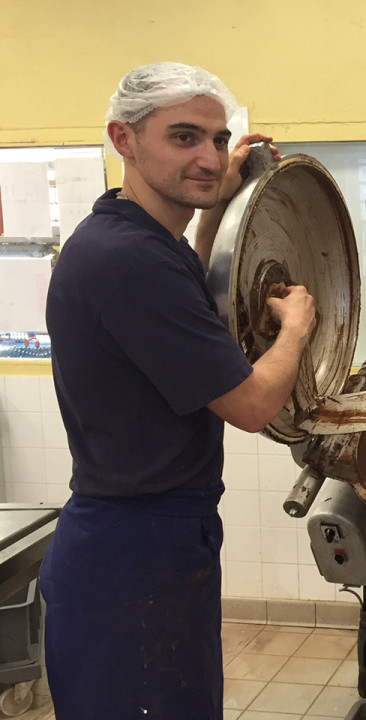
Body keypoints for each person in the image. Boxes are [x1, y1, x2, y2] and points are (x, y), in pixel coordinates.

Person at [40, 62, 317, 720]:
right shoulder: (129, 260)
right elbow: (252, 406)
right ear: (124, 139)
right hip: (133, 554)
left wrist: (220, 204)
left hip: (147, 536)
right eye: (184, 137)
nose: (207, 157)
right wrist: (296, 331)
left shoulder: (132, 239)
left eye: (218, 141)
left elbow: (187, 292)